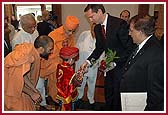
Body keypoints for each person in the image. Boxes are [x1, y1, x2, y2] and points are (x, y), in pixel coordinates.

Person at [80, 4, 134, 111]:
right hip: (108, 67)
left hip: (121, 66)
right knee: (108, 91)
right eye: (89, 18)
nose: (91, 20)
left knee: (117, 94)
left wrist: (115, 63)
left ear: (99, 11)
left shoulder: (119, 24)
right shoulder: (97, 28)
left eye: (91, 17)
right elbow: (99, 48)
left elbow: (129, 49)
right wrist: (87, 62)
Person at [120, 15, 164, 111]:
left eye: (131, 30)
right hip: (132, 99)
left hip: (142, 104)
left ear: (140, 32)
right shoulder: (142, 44)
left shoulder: (155, 52)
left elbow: (157, 93)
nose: (129, 34)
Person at [4, 35, 54, 111]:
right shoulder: (27, 56)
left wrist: (33, 89)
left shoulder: (32, 52)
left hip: (16, 86)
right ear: (41, 49)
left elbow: (23, 76)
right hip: (9, 88)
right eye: (50, 49)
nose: (51, 52)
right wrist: (31, 93)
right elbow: (14, 81)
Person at [40, 16, 79, 104]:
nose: (70, 33)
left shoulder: (71, 36)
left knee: (67, 88)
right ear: (64, 27)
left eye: (73, 31)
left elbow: (72, 50)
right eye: (69, 31)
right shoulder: (53, 35)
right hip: (54, 67)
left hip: (67, 66)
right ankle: (56, 102)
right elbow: (47, 54)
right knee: (55, 87)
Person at [75, 23, 98, 109]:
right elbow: (77, 47)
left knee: (92, 83)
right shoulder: (84, 34)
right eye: (92, 30)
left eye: (95, 31)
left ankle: (91, 100)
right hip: (82, 63)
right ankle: (79, 98)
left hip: (93, 66)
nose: (93, 32)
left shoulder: (102, 37)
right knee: (81, 82)